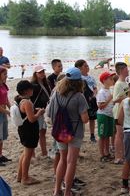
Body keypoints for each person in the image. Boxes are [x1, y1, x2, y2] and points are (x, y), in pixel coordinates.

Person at [47, 67, 89, 196]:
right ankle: (67, 192)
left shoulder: (56, 94)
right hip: (75, 132)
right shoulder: (79, 97)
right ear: (79, 82)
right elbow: (85, 119)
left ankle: (56, 190)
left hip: (60, 131)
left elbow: (50, 113)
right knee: (71, 162)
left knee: (62, 160)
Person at [15, 80, 45, 185]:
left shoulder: (20, 100)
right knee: (28, 154)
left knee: (25, 153)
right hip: (29, 130)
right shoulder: (26, 102)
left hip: (24, 129)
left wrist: (34, 110)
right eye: (31, 88)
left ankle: (20, 176)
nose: (33, 90)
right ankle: (25, 178)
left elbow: (26, 113)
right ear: (26, 91)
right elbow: (32, 119)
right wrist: (39, 113)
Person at [75, 59, 98, 143]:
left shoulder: (91, 77)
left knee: (92, 118)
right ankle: (80, 135)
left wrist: (94, 95)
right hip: (82, 99)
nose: (87, 67)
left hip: (91, 100)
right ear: (79, 68)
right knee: (81, 118)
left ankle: (92, 135)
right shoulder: (78, 78)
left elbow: (95, 88)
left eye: (88, 65)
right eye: (85, 66)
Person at [31, 65, 51, 156]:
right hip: (37, 111)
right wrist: (35, 109)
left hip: (45, 110)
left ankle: (44, 152)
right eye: (40, 72)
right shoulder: (33, 85)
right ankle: (33, 153)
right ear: (35, 74)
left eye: (43, 71)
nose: (42, 73)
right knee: (35, 133)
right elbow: (30, 100)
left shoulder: (47, 82)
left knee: (43, 131)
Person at [96, 71, 116, 162]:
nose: (112, 80)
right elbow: (100, 106)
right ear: (104, 80)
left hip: (110, 115)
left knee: (108, 135)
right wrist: (110, 98)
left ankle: (107, 153)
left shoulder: (110, 90)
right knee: (102, 135)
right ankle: (101, 154)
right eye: (110, 79)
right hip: (103, 115)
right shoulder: (101, 92)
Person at [112, 62, 129, 165]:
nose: (128, 70)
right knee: (119, 135)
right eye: (126, 69)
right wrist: (128, 97)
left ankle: (122, 155)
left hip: (124, 112)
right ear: (122, 70)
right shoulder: (118, 84)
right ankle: (118, 157)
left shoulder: (124, 82)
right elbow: (115, 100)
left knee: (122, 135)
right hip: (118, 112)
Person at [0, 67, 11, 166]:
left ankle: (0, 155)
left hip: (3, 112)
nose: (6, 76)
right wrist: (7, 112)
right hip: (1, 112)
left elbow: (6, 98)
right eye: (4, 74)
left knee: (2, 136)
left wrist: (10, 108)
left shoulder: (3, 85)